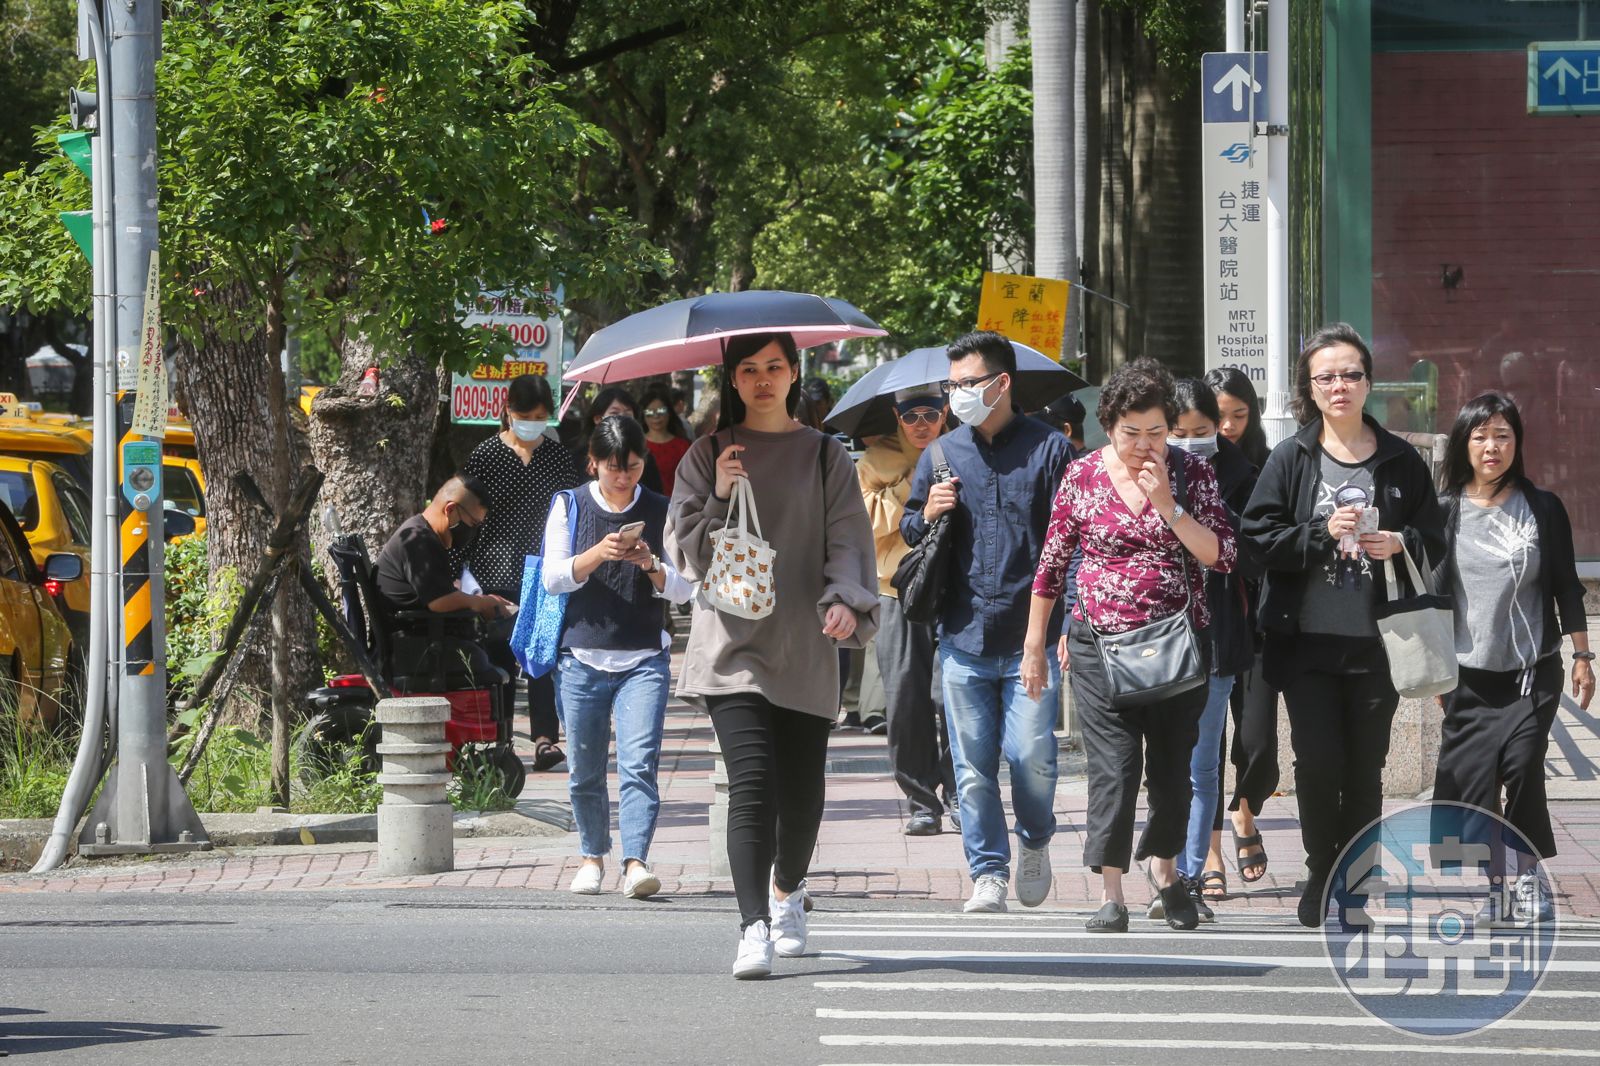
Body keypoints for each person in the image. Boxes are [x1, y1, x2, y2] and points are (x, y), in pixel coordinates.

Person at [666, 331, 878, 980]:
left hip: (808, 643)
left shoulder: (824, 457)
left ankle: (788, 890)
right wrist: (723, 493)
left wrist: (845, 599)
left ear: (793, 374)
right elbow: (685, 552)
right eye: (750, 369)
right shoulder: (705, 455)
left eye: (775, 367)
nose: (763, 379)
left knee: (803, 795)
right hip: (732, 648)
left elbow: (848, 537)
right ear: (732, 380)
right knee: (751, 786)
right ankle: (751, 924)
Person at [1023, 359, 1237, 933]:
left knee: (1173, 771)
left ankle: (1166, 875)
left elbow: (1220, 555)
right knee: (1114, 768)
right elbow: (1051, 564)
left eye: (1156, 433)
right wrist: (1035, 645)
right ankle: (1111, 893)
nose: (1144, 445)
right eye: (1130, 433)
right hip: (1098, 645)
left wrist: (1168, 502)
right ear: (1109, 425)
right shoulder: (1082, 475)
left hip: (1176, 645)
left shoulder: (1193, 474)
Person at [1242, 323, 1445, 928]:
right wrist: (1317, 534)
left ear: (1368, 383)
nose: (1339, 386)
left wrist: (1398, 542)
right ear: (1310, 387)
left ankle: (1353, 883)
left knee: (1365, 767)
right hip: (1306, 643)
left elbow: (1436, 537)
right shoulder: (1293, 456)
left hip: (1380, 643)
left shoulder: (1401, 460)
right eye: (1326, 376)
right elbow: (1257, 538)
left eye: (1350, 374)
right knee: (1317, 762)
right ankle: (1320, 869)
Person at [901, 331, 1074, 914]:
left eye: (968, 383)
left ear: (1002, 383)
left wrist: (1067, 626)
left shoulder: (1051, 451)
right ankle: (988, 871)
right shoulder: (942, 454)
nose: (958, 395)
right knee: (972, 770)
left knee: (1031, 757)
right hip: (962, 636)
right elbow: (909, 530)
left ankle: (1035, 839)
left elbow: (1072, 543)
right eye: (953, 384)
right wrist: (926, 512)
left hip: (1032, 640)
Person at [1431, 392, 1593, 924]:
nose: (1492, 446)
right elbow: (1431, 595)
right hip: (1467, 675)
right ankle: (1498, 886)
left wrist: (1582, 655)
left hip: (1531, 669)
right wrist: (1435, 669)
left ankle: (1528, 878)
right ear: (1464, 444)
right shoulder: (1446, 511)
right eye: (1480, 436)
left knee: (1522, 767)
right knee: (1475, 784)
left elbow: (1569, 586)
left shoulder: (1542, 507)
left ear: (1516, 443)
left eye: (1502, 435)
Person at [543, 415, 695, 901]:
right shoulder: (569, 505)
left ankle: (635, 862)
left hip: (644, 658)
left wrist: (649, 564)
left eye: (631, 466)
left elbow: (685, 588)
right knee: (584, 769)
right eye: (613, 468)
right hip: (581, 658)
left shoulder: (660, 508)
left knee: (639, 766)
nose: (623, 477)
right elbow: (553, 578)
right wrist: (598, 555)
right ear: (593, 463)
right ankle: (591, 856)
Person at [1162, 379, 1260, 923]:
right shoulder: (1146, 470)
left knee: (1202, 764)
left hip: (1217, 635)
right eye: (1182, 433)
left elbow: (1245, 553)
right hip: (1154, 639)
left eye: (1204, 432)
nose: (1196, 442)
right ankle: (1165, 868)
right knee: (1163, 764)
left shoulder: (1241, 475)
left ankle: (1192, 874)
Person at [457, 375, 582, 772]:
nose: (532, 423)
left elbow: (573, 513)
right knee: (500, 658)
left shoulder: (558, 458)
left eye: (541, 417)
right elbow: (464, 515)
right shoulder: (486, 455)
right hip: (493, 569)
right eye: (525, 416)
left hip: (544, 570)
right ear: (508, 412)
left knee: (542, 654)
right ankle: (500, 740)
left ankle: (545, 738)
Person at [859, 386, 957, 836]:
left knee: (955, 697)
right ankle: (921, 799)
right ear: (896, 418)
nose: (921, 424)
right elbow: (864, 522)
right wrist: (913, 485)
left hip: (958, 590)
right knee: (905, 698)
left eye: (930, 414)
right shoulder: (874, 462)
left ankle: (959, 790)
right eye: (910, 416)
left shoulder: (964, 449)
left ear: (945, 412)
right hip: (896, 591)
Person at [1202, 366, 1275, 894]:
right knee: (1203, 748)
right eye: (1217, 416)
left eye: (1238, 415)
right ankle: (1208, 855)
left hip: (1260, 625)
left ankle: (1245, 812)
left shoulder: (1269, 468)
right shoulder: (1183, 464)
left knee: (1257, 741)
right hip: (1203, 624)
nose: (1227, 426)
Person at [374, 474, 513, 686]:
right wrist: (482, 603)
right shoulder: (418, 539)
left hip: (420, 640)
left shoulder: (423, 534)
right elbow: (439, 602)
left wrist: (483, 599)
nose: (474, 532)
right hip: (416, 648)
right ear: (450, 510)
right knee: (491, 660)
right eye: (473, 523)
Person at [580, 386, 665, 494]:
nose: (623, 479)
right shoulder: (578, 457)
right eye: (614, 414)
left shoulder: (642, 455)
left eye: (628, 415)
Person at [640, 384, 692, 498]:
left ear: (669, 412)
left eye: (661, 410)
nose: (656, 416)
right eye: (649, 412)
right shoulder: (637, 445)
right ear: (643, 415)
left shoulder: (683, 446)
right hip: (645, 506)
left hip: (679, 505)